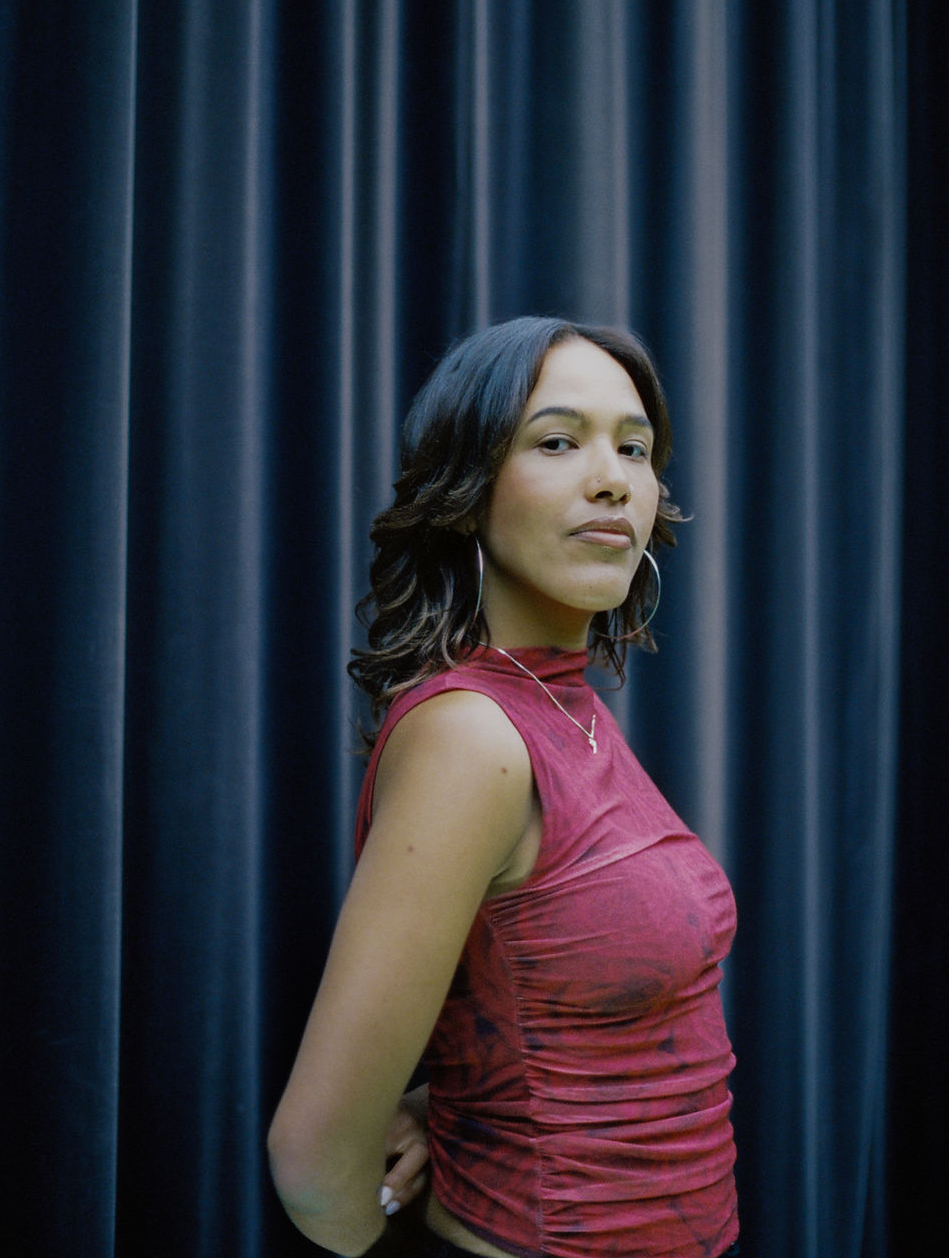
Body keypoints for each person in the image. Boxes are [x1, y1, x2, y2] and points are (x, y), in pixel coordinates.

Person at [267, 317, 740, 1258]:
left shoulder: (567, 706)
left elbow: (551, 1000)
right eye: (557, 442)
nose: (612, 478)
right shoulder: (471, 734)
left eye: (634, 448)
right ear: (468, 491)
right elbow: (313, 1162)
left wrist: (449, 1099)